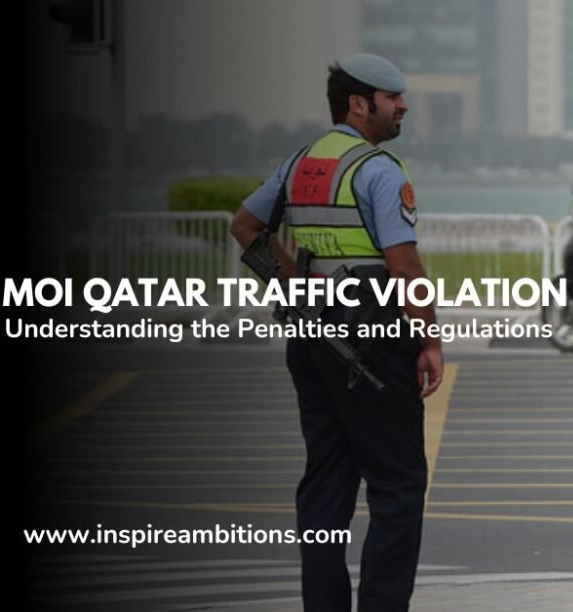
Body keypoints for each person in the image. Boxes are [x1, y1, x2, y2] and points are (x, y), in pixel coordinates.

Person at [230, 52, 444, 612]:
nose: (402, 107)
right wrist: (429, 341)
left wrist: (292, 287)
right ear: (358, 103)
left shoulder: (301, 163)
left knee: (326, 483)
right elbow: (404, 267)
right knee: (398, 488)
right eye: (391, 99)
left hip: (311, 332)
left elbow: (245, 226)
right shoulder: (376, 169)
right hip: (371, 331)